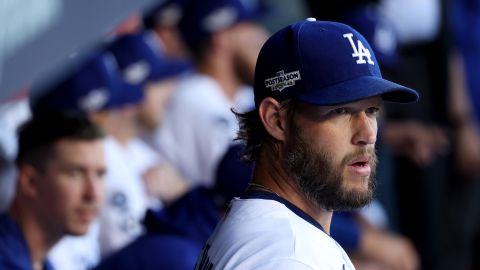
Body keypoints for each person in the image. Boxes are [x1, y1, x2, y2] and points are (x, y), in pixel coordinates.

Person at [196, 18, 418, 269]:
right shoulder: (285, 256)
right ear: (276, 120)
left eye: (371, 110)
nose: (367, 134)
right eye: (341, 111)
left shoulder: (275, 235)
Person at [146, 0, 269, 186]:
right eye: (250, 26)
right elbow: (245, 182)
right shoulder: (194, 99)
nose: (263, 36)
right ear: (221, 39)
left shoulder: (243, 94)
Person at [0, 112, 106, 270]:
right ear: (31, 182)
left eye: (100, 174)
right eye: (75, 173)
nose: (93, 194)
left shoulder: (40, 262)